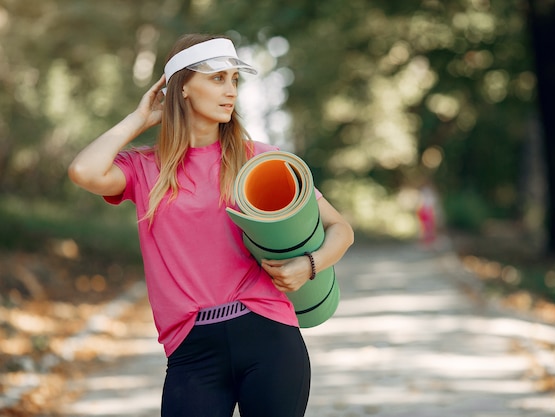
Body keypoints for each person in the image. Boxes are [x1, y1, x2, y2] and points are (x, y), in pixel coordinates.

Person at [67, 33, 354, 417]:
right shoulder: (144, 168)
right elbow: (83, 171)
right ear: (183, 86)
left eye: (234, 79)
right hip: (191, 350)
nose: (230, 90)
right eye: (217, 78)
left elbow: (341, 229)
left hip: (268, 335)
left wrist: (310, 266)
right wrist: (140, 119)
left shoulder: (261, 160)